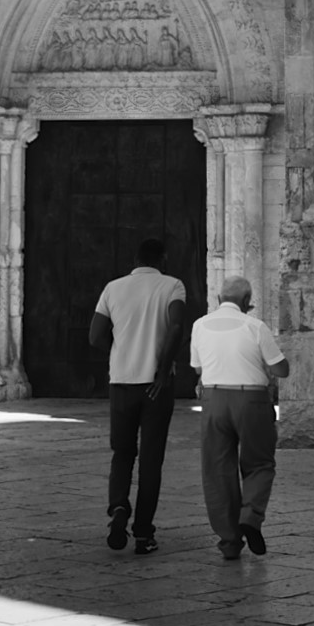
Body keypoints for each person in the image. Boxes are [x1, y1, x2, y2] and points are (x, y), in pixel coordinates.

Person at [89, 238, 187, 555]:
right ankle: (143, 533)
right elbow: (176, 326)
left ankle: (118, 507)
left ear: (135, 259)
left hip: (121, 382)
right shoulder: (172, 286)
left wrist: (121, 352)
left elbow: (95, 336)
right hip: (156, 386)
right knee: (151, 460)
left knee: (122, 452)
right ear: (162, 259)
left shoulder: (112, 288)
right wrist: (161, 369)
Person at [190, 275, 289, 559]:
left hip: (214, 400)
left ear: (220, 299)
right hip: (251, 400)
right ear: (247, 302)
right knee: (260, 463)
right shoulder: (255, 326)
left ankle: (230, 541)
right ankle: (251, 517)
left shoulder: (199, 325)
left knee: (218, 471)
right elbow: (281, 370)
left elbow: (197, 368)